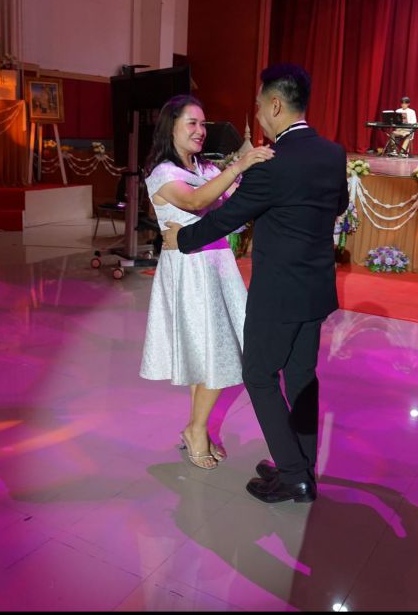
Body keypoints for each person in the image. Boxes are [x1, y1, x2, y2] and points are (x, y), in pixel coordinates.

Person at [161, 63, 348, 503]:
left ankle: (293, 475)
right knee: (301, 377)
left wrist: (181, 238)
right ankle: (302, 467)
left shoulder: (272, 163)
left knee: (259, 375)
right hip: (316, 288)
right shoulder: (332, 153)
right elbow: (338, 204)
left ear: (276, 105)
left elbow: (227, 218)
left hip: (278, 292)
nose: (259, 114)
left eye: (261, 105)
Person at [139, 94, 275, 470]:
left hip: (217, 265)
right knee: (219, 353)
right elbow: (196, 201)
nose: (201, 130)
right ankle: (197, 430)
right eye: (192, 123)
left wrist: (251, 179)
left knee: (210, 353)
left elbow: (233, 207)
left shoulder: (206, 168)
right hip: (191, 271)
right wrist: (239, 165)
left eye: (203, 124)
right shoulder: (163, 173)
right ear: (171, 127)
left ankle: (196, 428)